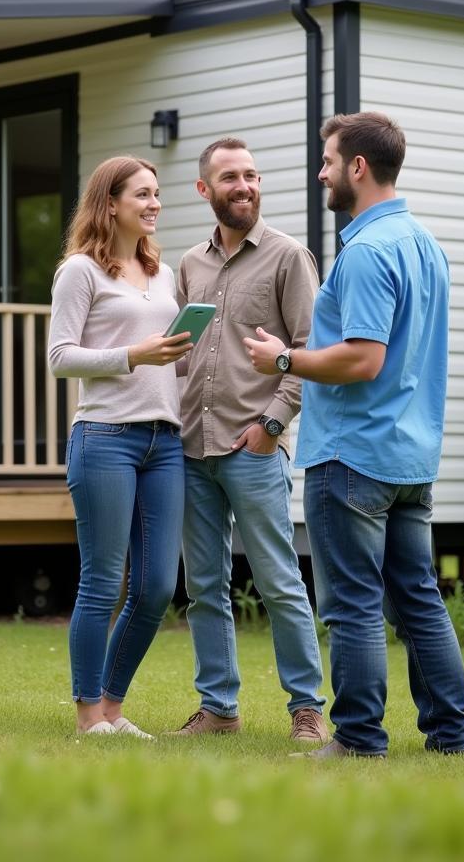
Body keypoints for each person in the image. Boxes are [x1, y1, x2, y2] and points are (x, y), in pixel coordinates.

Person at [244, 112, 464, 758]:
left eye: (328, 161)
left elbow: (363, 358)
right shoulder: (427, 245)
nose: (322, 172)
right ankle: (450, 737)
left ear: (359, 168)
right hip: (410, 458)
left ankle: (359, 738)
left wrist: (283, 359)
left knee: (354, 606)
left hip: (352, 458)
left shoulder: (368, 251)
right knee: (419, 601)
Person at [167, 137, 328, 742]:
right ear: (205, 190)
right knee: (204, 586)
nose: (245, 186)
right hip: (190, 448)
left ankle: (306, 709)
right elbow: (180, 354)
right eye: (230, 177)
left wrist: (271, 426)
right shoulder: (190, 264)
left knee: (279, 581)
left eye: (252, 175)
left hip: (253, 447)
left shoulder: (289, 258)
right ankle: (219, 709)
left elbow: (310, 353)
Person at [48, 155, 192, 738]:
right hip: (105, 436)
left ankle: (112, 706)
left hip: (165, 439)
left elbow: (168, 351)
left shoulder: (161, 273)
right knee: (103, 581)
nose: (154, 204)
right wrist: (134, 355)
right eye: (142, 195)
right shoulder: (80, 271)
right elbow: (60, 357)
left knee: (158, 584)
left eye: (157, 194)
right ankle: (88, 716)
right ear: (110, 203)